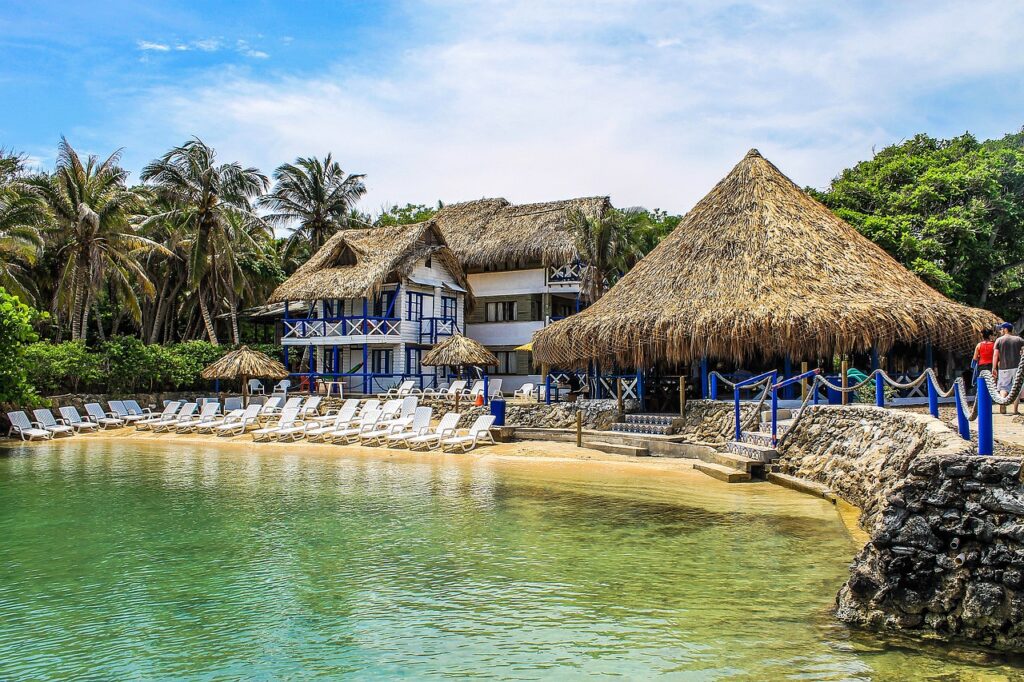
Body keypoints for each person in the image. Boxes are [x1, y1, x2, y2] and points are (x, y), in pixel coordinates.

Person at [992, 322, 1024, 415]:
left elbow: (995, 355)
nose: (1001, 331)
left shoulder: (999, 340)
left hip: (1003, 368)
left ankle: (1003, 403)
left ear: (1005, 329)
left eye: (1001, 329)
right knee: (1016, 388)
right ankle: (1015, 410)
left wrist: (994, 368)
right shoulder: (1019, 339)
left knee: (1003, 387)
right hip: (1017, 368)